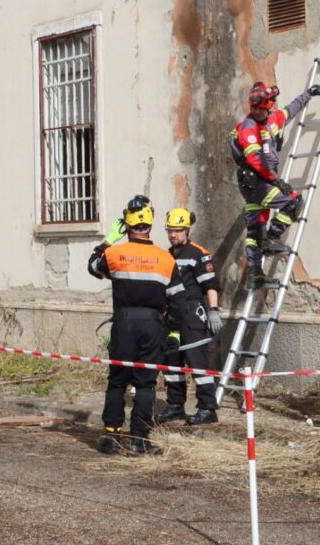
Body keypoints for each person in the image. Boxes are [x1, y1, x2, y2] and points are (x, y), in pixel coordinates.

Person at [88, 195, 190, 455]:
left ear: (127, 222)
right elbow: (178, 301)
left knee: (117, 381)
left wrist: (109, 239)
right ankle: (139, 441)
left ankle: (111, 437)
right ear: (151, 223)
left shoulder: (115, 253)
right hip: (153, 325)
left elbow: (92, 267)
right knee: (145, 384)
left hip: (123, 323)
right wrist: (176, 332)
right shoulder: (166, 259)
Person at [230, 81, 320, 289]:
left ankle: (255, 274)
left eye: (260, 109)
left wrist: (308, 93)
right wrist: (276, 180)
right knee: (293, 202)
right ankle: (272, 237)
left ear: (268, 108)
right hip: (256, 182)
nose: (256, 112)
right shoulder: (248, 128)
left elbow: (291, 109)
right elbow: (256, 160)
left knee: (255, 231)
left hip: (259, 182)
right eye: (253, 108)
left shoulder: (274, 120)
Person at [155, 208, 223, 426]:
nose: (172, 234)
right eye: (170, 230)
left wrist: (213, 311)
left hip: (192, 315)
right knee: (171, 363)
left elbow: (210, 285)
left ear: (186, 230)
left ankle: (207, 408)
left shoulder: (198, 254)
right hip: (172, 316)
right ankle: (175, 406)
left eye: (177, 230)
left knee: (197, 362)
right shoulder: (166, 255)